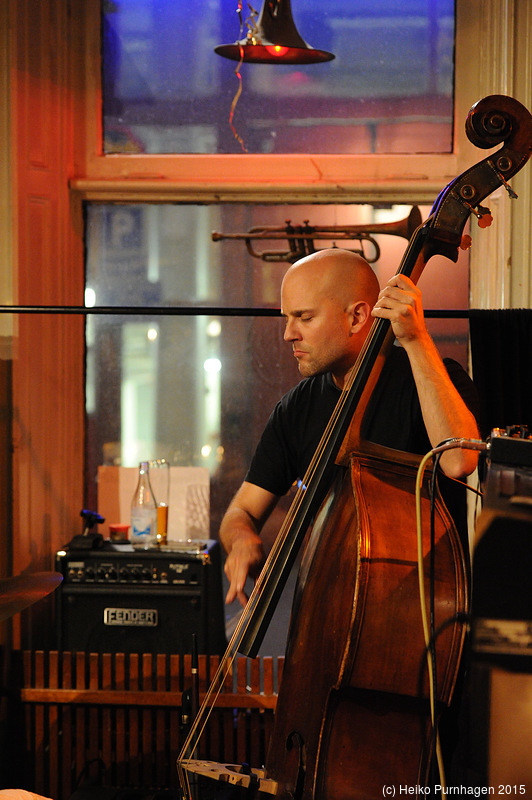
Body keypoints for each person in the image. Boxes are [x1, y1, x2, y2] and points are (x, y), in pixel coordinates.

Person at [220, 248, 480, 608]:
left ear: (357, 317)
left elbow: (460, 461)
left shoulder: (434, 381)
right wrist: (242, 538)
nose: (287, 334)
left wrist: (416, 340)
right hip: (324, 609)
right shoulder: (297, 408)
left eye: (303, 317)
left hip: (420, 612)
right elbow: (241, 511)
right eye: (286, 318)